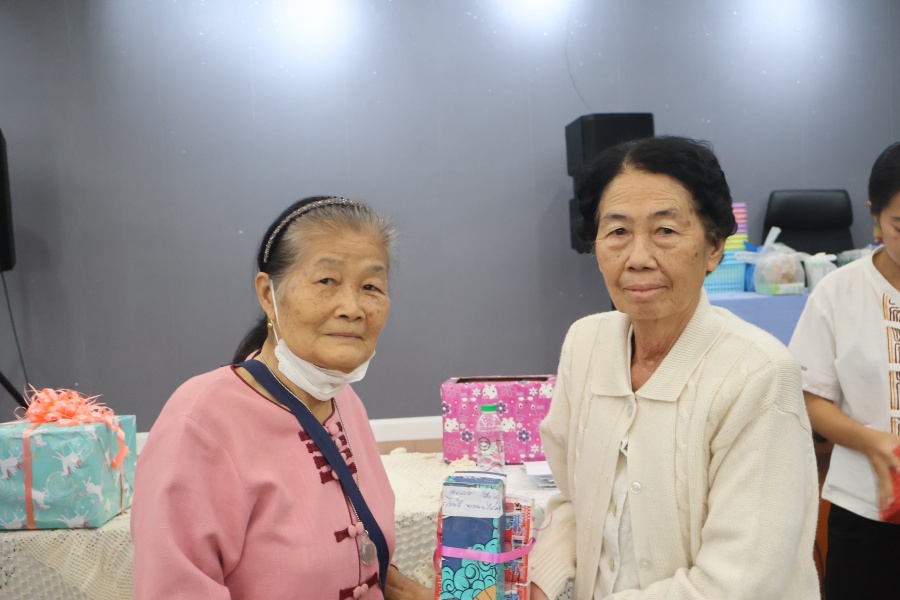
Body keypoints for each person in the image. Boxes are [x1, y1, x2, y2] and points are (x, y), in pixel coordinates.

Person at [528, 137, 821, 600]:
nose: (638, 258)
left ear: (714, 247)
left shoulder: (759, 373)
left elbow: (738, 582)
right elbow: (571, 501)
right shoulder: (586, 343)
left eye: (665, 230)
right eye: (618, 232)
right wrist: (542, 585)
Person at [131, 196, 431, 600]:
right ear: (267, 294)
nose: (352, 308)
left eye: (371, 287)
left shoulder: (346, 404)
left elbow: (357, 560)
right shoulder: (200, 421)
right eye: (326, 281)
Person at [788, 141, 900, 600]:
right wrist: (873, 441)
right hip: (866, 510)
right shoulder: (838, 293)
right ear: (875, 214)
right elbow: (808, 397)